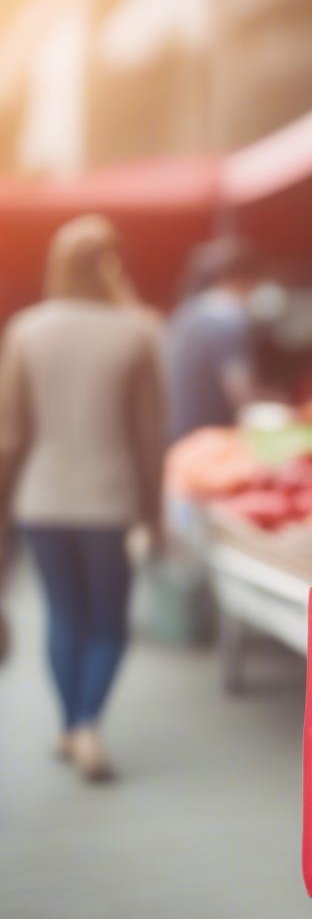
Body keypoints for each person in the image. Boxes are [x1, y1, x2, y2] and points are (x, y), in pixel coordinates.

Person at [0, 214, 165, 782]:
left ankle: (69, 727)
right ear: (113, 264)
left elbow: (10, 434)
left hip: (39, 500)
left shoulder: (26, 329)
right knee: (109, 624)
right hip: (108, 500)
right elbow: (148, 438)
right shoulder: (137, 332)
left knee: (63, 617)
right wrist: (156, 513)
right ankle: (90, 724)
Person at [163, 233, 266, 444]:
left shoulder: (189, 310)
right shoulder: (228, 316)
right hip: (207, 441)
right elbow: (240, 392)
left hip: (176, 437)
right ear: (246, 279)